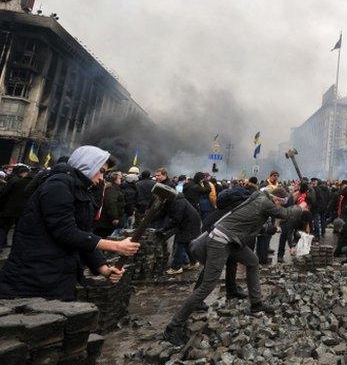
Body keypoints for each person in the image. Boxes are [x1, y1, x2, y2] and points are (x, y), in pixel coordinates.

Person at [164, 186, 305, 345]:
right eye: (281, 203)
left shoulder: (259, 199)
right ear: (276, 200)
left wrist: (267, 229)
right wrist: (300, 207)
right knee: (207, 285)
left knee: (253, 261)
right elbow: (286, 214)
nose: (280, 206)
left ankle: (256, 304)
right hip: (221, 241)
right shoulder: (265, 201)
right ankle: (173, 327)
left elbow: (250, 223)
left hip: (232, 240)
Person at [0, 146, 140, 301]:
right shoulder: (58, 185)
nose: (102, 177)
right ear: (88, 164)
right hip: (33, 275)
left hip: (58, 274)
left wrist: (104, 269)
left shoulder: (80, 189)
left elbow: (84, 234)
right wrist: (116, 246)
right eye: (100, 170)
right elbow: (66, 232)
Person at [163, 193, 203, 275]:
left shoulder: (178, 203)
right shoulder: (175, 200)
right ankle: (194, 262)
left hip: (189, 224)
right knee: (186, 243)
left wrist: (164, 228)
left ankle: (176, 267)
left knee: (180, 244)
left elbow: (176, 219)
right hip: (190, 223)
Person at [0, 164, 32, 248]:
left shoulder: (15, 180)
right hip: (19, 210)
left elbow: (5, 193)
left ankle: (3, 244)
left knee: (5, 228)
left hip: (10, 209)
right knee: (8, 229)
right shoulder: (24, 182)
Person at [95, 171, 126, 237]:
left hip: (106, 220)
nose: (121, 180)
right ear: (114, 179)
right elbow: (111, 203)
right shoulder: (111, 189)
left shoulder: (111, 187)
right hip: (107, 221)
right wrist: (114, 217)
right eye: (120, 178)